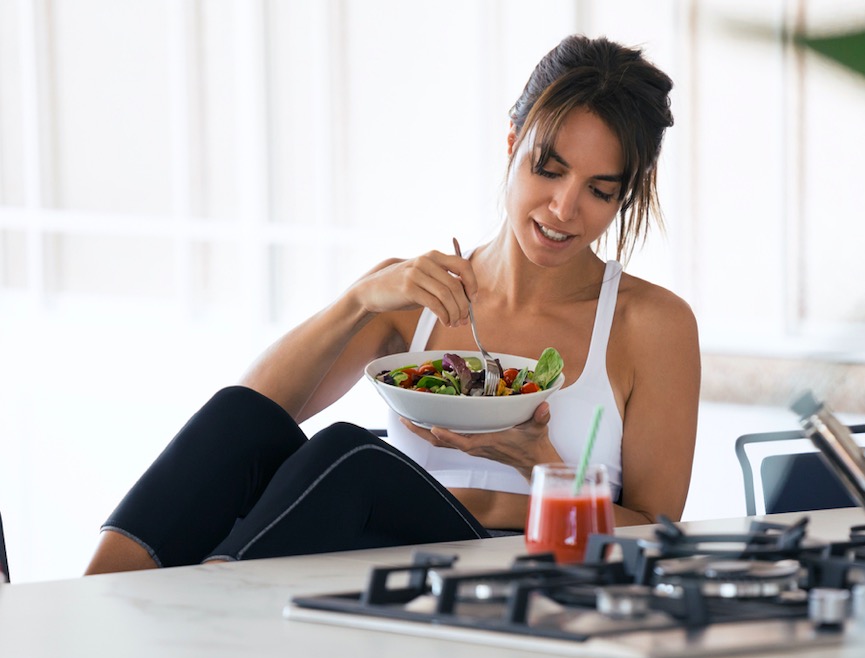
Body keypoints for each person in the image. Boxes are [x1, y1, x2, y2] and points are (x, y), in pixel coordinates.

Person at [84, 34, 700, 574]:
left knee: (352, 456)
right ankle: (98, 603)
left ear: (627, 194)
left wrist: (541, 465)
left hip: (527, 562)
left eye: (598, 189)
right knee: (238, 419)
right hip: (388, 558)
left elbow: (657, 528)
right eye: (549, 169)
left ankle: (208, 609)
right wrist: (358, 301)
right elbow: (250, 420)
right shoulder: (416, 296)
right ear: (512, 143)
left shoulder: (650, 324)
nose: (565, 209)